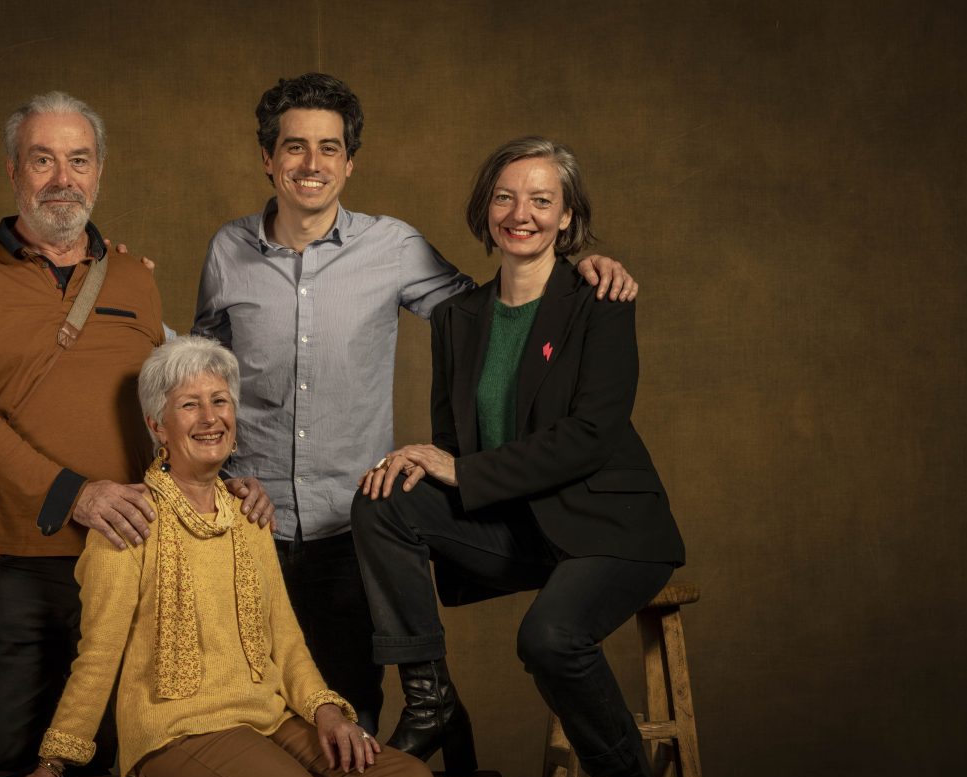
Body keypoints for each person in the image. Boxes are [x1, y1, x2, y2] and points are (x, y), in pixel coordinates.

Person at [193, 72, 638, 738]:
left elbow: (495, 312)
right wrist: (218, 479)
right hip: (245, 523)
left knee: (350, 726)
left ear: (350, 162)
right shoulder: (227, 250)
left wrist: (582, 271)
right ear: (268, 157)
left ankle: (435, 738)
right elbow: (203, 375)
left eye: (329, 148)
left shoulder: (394, 246)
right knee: (245, 720)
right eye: (294, 147)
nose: (312, 164)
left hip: (349, 527)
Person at [0, 91, 271, 777]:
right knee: (2, 764)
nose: (62, 178)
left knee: (90, 771)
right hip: (11, 561)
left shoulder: (133, 278)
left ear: (100, 171)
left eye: (78, 160)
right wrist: (71, 493)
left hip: (123, 558)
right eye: (43, 159)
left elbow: (168, 411)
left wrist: (222, 482)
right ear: (13, 170)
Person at [352, 137, 686, 777]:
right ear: (485, 209)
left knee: (548, 639)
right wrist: (422, 462)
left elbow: (591, 435)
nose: (520, 214)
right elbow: (455, 443)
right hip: (519, 526)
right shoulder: (458, 318)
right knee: (384, 497)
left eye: (541, 200)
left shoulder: (599, 299)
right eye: (505, 197)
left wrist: (459, 472)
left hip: (609, 526)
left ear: (567, 217)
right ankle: (431, 699)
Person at [5, 336, 453, 777]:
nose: (210, 417)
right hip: (178, 733)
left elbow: (286, 639)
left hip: (268, 720)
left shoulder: (248, 513)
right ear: (157, 426)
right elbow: (99, 654)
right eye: (189, 405)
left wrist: (326, 712)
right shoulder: (128, 521)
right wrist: (53, 763)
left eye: (219, 401)